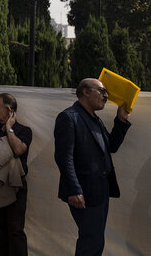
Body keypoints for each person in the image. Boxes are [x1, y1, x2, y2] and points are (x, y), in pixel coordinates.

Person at [54, 78, 131, 256]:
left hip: (100, 191)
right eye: (102, 91)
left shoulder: (95, 119)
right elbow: (64, 158)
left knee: (95, 240)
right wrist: (74, 190)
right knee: (91, 243)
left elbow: (111, 146)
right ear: (86, 92)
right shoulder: (69, 117)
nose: (106, 96)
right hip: (83, 192)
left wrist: (120, 119)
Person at [0, 93, 32, 256]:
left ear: (9, 110)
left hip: (15, 186)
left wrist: (9, 128)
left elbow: (18, 150)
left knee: (15, 231)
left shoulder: (24, 131)